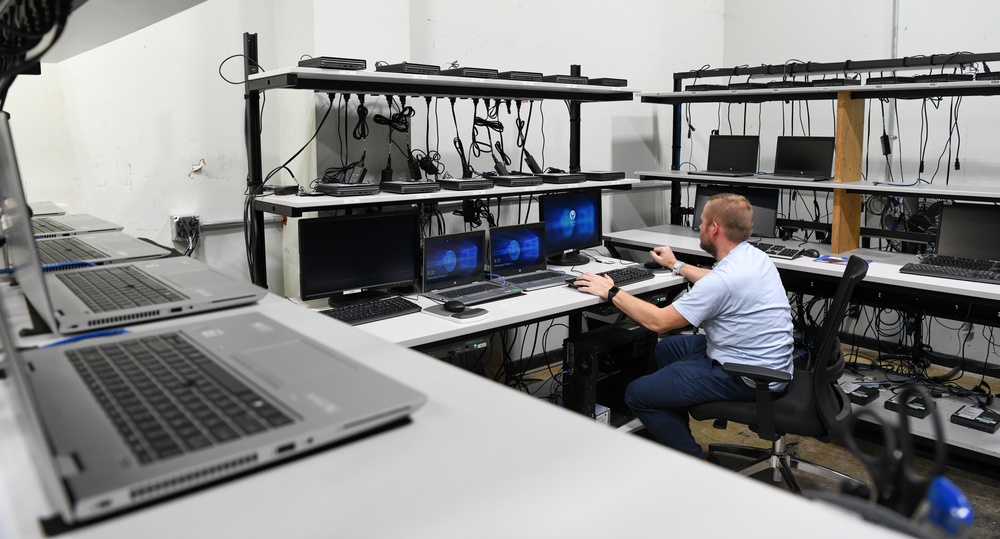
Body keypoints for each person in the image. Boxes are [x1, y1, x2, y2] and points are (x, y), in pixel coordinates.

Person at [571, 193, 793, 458]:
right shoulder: (753, 257)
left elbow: (659, 322)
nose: (698, 227)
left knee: (638, 393)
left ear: (714, 229)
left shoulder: (724, 279)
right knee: (668, 350)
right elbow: (716, 279)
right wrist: (675, 264)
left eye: (701, 222)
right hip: (767, 361)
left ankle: (692, 460)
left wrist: (610, 291)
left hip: (747, 375)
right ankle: (675, 410)